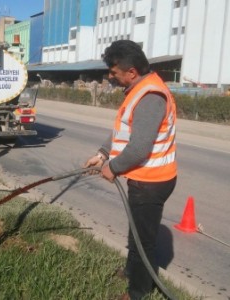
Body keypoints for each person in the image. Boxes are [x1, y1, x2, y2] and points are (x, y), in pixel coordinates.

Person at [84, 40, 177, 300]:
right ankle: (132, 271)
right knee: (135, 232)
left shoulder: (150, 96)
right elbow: (122, 131)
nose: (110, 76)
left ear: (132, 72)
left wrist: (112, 167)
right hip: (143, 178)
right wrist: (102, 154)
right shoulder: (139, 89)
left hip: (152, 181)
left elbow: (138, 150)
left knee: (142, 241)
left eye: (114, 72)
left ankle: (137, 292)